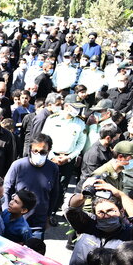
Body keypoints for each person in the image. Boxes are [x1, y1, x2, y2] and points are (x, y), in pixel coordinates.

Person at [66, 179, 133, 265]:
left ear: (121, 212)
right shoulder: (87, 224)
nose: (106, 216)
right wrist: (83, 195)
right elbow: (71, 209)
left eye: (111, 211)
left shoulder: (131, 235)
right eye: (101, 212)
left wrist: (121, 195)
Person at [40, 94, 87, 222]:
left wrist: (70, 157)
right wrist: (50, 156)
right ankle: (41, 211)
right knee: (45, 184)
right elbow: (44, 138)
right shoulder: (52, 119)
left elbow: (80, 144)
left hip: (67, 159)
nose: (77, 111)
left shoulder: (80, 123)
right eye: (75, 107)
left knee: (61, 188)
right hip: (51, 157)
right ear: (66, 106)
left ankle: (52, 213)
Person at [4, 134, 59, 239]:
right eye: (35, 151)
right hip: (15, 222)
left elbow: (54, 194)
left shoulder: (53, 168)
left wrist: (48, 216)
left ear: (49, 151)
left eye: (43, 152)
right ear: (30, 150)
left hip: (38, 224)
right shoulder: (18, 165)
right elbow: (6, 190)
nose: (38, 154)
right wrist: (6, 213)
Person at [77, 124, 119, 191]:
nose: (116, 140)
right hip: (87, 189)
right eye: (115, 139)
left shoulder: (108, 148)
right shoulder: (94, 153)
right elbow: (94, 175)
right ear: (108, 138)